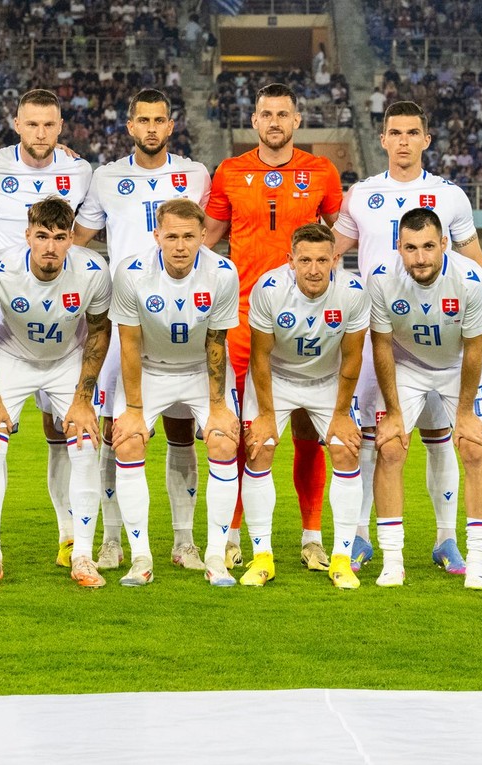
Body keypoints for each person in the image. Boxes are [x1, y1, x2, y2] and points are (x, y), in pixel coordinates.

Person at [332, 100, 482, 575]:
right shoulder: (362, 193)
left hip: (445, 333)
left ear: (426, 140)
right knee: (374, 438)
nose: (404, 141)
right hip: (380, 334)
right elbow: (329, 252)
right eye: (396, 132)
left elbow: (475, 260)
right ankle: (363, 539)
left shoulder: (449, 195)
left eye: (414, 132)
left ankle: (446, 540)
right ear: (384, 138)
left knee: (442, 437)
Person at [204, 82, 344, 572]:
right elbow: (209, 238)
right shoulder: (229, 172)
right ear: (254, 120)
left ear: (297, 120)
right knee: (250, 432)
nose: (275, 122)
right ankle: (235, 535)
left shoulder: (322, 171)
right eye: (267, 114)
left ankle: (311, 537)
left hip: (307, 324)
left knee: (309, 429)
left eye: (284, 114)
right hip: (243, 320)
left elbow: (337, 237)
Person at [72, 88, 213, 572]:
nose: (151, 128)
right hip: (122, 321)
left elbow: (208, 235)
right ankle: (112, 540)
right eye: (142, 121)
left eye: (160, 120)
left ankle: (184, 542)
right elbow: (76, 239)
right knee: (118, 430)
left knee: (181, 431)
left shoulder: (195, 174)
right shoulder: (106, 177)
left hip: (183, 324)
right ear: (129, 126)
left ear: (171, 126)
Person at [0, 88, 93, 571]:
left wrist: (64, 257)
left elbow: (84, 229)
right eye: (31, 124)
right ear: (16, 123)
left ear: (61, 127)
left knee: (70, 434)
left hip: (63, 331)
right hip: (8, 324)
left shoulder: (81, 170)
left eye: (49, 125)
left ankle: (73, 541)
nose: (40, 133)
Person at [0, 197, 112, 587]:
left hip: (67, 358)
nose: (50, 247)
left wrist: (83, 400)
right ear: (27, 235)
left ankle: (82, 553)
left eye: (60, 237)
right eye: (42, 236)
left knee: (84, 443)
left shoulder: (94, 270)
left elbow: (99, 330)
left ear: (71, 239)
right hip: (11, 355)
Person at [109, 199, 241, 587]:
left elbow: (217, 342)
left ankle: (215, 556)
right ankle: (141, 558)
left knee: (222, 442)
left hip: (201, 369)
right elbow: (128, 344)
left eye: (188, 236)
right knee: (129, 442)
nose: (180, 245)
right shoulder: (132, 273)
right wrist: (133, 408)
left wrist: (217, 407)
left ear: (203, 236)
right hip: (149, 369)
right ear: (157, 236)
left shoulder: (222, 272)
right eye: (171, 236)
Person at [369, 208, 482, 590]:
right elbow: (381, 346)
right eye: (410, 248)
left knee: (474, 448)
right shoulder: (382, 279)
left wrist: (465, 413)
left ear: (443, 244)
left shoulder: (470, 280)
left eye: (428, 246)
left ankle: (477, 561)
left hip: (458, 366)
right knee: (389, 447)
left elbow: (475, 351)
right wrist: (392, 412)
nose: (420, 257)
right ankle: (392, 561)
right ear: (399, 246)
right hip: (406, 364)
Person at [239, 224, 369, 589]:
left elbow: (352, 357)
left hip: (327, 382)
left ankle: (340, 559)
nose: (314, 269)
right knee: (259, 449)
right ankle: (262, 556)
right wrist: (265, 415)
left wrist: (342, 415)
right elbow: (260, 357)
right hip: (276, 379)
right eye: (305, 260)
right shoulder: (269, 289)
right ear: (290, 260)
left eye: (322, 260)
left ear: (336, 260)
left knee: (346, 452)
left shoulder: (353, 292)